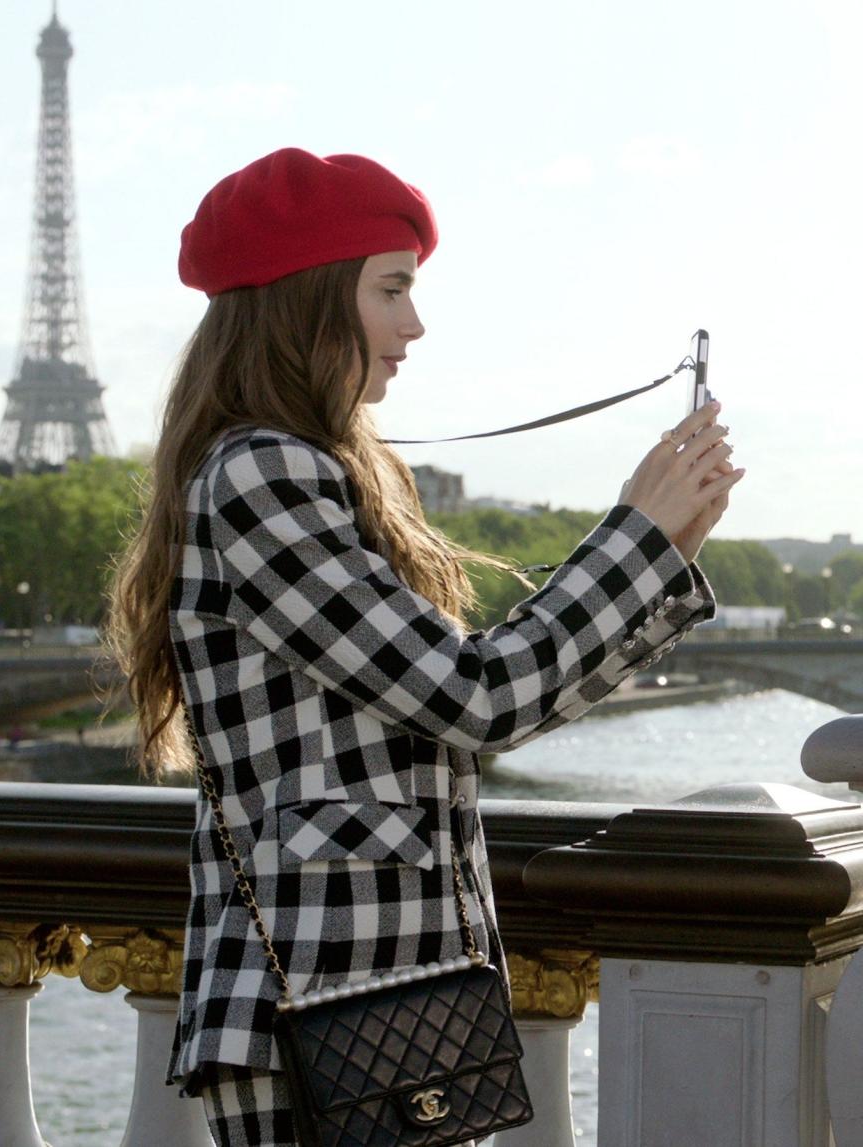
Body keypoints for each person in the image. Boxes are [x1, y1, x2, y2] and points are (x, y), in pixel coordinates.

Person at [107, 147, 744, 1147]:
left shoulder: (296, 468)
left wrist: (658, 557)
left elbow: (469, 704)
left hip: (385, 998)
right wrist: (638, 543)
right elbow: (475, 695)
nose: (415, 324)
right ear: (307, 298)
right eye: (392, 288)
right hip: (326, 1005)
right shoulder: (264, 473)